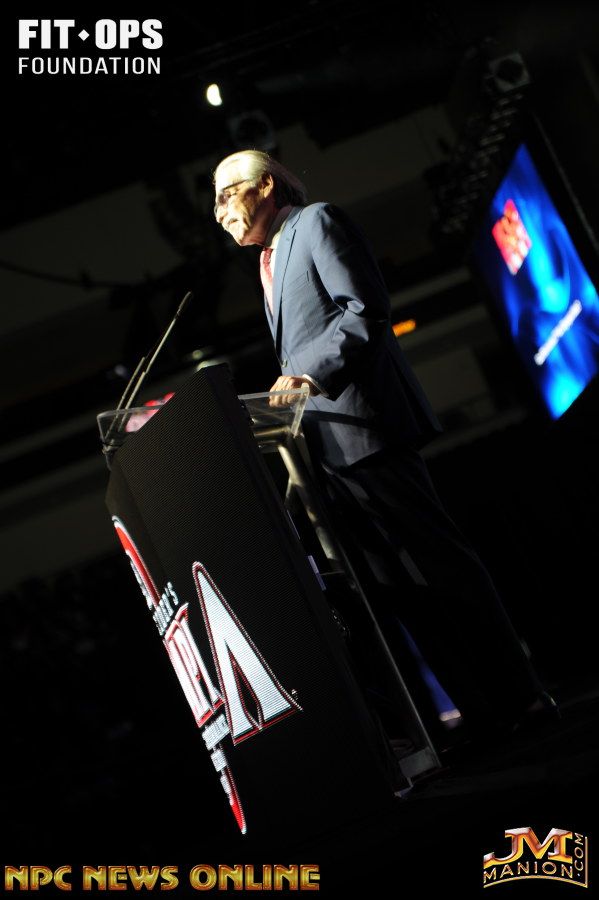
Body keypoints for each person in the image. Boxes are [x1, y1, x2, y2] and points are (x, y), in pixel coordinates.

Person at [212, 149, 558, 748]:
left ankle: (524, 694)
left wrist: (307, 373)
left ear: (265, 185)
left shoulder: (316, 222)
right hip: (329, 452)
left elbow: (365, 311)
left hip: (368, 430)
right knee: (402, 591)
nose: (219, 213)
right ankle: (481, 717)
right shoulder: (269, 260)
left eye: (225, 194)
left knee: (443, 567)